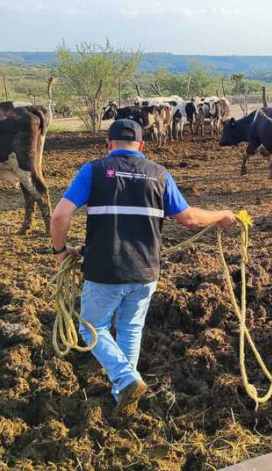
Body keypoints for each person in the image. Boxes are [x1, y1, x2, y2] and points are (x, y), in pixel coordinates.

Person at [50, 119, 237, 416]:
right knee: (130, 328)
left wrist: (60, 252)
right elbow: (188, 218)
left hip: (104, 270)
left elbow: (60, 216)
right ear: (142, 146)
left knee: (91, 327)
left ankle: (126, 380)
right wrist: (222, 214)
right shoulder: (159, 174)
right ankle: (122, 393)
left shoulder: (93, 171)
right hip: (146, 270)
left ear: (108, 145)